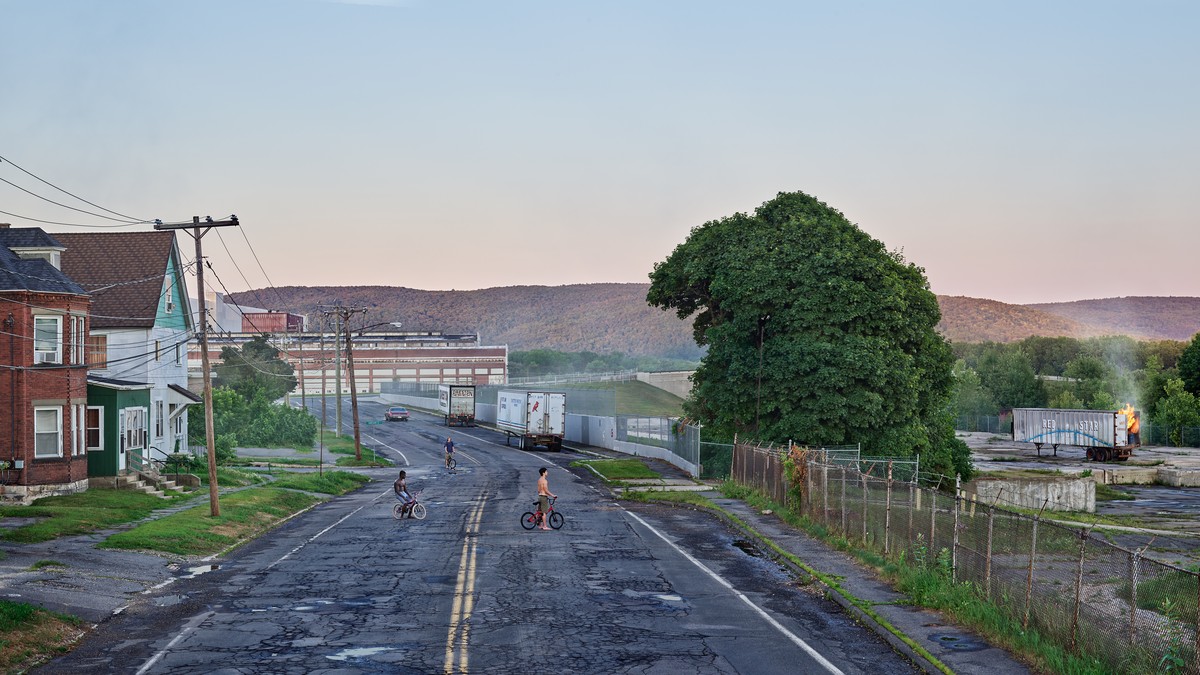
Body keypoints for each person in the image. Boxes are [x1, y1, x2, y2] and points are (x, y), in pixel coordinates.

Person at [536, 466, 556, 530]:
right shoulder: (544, 481)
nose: (547, 472)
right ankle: (545, 526)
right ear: (543, 473)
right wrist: (553, 495)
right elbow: (546, 490)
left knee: (540, 511)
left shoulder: (539, 480)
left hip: (540, 496)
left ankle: (540, 525)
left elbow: (538, 490)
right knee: (544, 512)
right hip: (543, 497)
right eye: (546, 471)